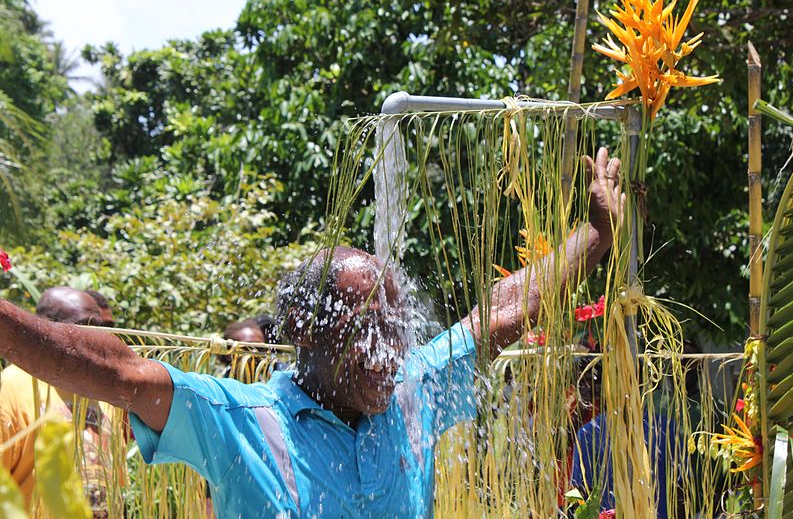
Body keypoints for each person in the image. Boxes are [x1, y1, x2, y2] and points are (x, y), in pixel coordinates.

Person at [0, 149, 623, 517]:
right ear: (304, 329)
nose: (389, 350)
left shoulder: (415, 394)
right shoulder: (240, 421)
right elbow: (119, 371)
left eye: (398, 327)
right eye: (364, 326)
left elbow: (505, 309)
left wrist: (595, 236)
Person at [0, 287, 117, 517]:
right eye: (86, 326)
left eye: (103, 329)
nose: (100, 339)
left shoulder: (107, 394)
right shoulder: (13, 386)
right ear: (43, 330)